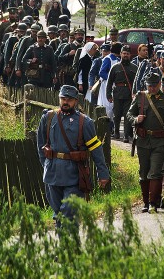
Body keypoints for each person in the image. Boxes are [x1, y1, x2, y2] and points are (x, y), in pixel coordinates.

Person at [37, 85, 110, 227]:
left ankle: (69, 245)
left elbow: (96, 150)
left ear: (76, 101)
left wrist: (103, 173)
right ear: (59, 99)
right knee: (59, 215)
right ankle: (66, 247)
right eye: (63, 98)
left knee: (68, 213)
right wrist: (46, 164)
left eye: (69, 99)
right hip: (52, 175)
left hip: (74, 177)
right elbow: (40, 144)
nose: (66, 102)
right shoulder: (48, 118)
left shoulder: (85, 122)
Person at [127, 73, 164, 213]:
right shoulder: (140, 97)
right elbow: (129, 114)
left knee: (156, 171)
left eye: (154, 85)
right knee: (143, 172)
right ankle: (146, 202)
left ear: (159, 84)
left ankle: (153, 203)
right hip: (142, 140)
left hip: (160, 141)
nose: (151, 88)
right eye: (149, 86)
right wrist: (135, 120)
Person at [106, 45, 138, 143]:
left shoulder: (135, 68)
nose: (125, 55)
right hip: (117, 94)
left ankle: (126, 135)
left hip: (129, 94)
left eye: (127, 54)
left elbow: (137, 82)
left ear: (130, 55)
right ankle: (116, 132)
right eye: (124, 53)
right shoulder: (115, 67)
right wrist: (108, 95)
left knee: (127, 115)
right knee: (117, 114)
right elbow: (109, 82)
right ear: (120, 54)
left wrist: (135, 95)